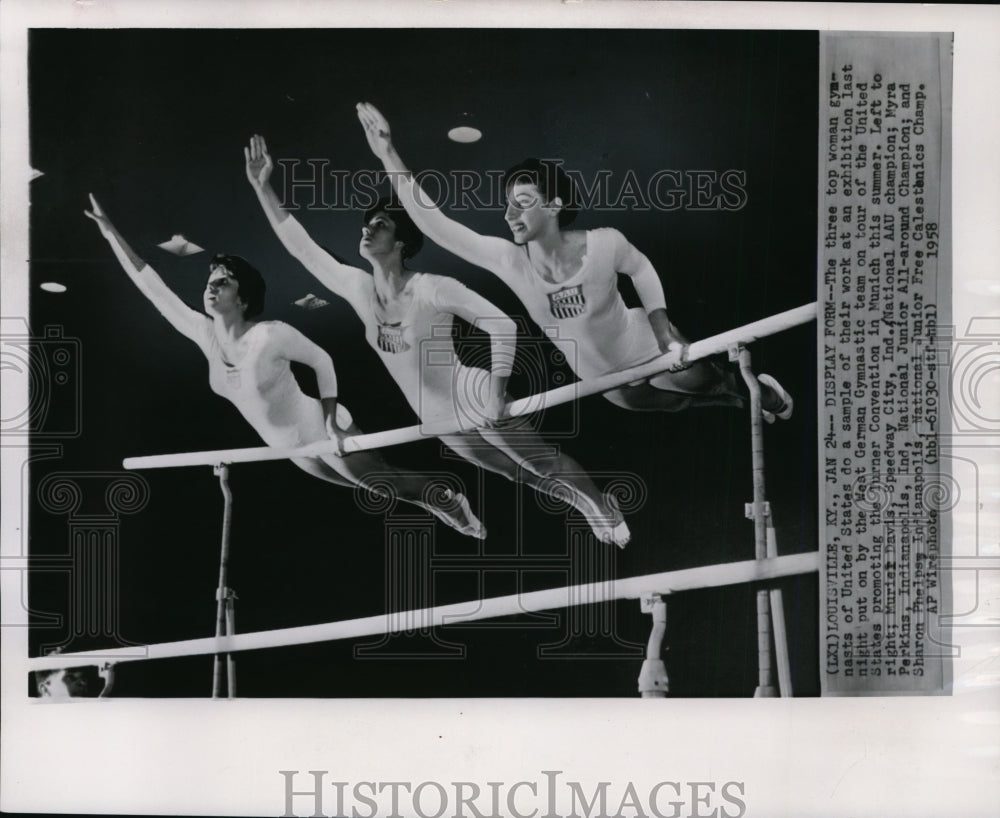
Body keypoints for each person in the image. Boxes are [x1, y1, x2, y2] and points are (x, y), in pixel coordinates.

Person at [245, 136, 629, 547]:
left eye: (381, 224)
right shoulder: (356, 287)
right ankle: (585, 503)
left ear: (402, 243)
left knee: (541, 464)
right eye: (367, 222)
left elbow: (503, 327)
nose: (368, 228)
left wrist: (496, 394)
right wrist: (262, 187)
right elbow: (302, 248)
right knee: (515, 473)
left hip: (472, 394)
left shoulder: (432, 288)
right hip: (437, 416)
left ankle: (600, 506)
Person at [356, 102, 794, 421]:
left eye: (523, 203)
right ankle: (735, 402)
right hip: (604, 379)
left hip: (642, 344)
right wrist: (387, 157)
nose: (510, 215)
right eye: (507, 205)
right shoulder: (510, 261)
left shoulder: (603, 244)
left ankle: (752, 393)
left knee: (709, 381)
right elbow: (436, 225)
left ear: (554, 205)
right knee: (680, 403)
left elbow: (639, 268)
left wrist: (663, 332)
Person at [84, 194, 484, 538]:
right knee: (380, 491)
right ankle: (437, 503)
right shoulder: (202, 334)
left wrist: (330, 420)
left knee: (389, 484)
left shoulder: (271, 335)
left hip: (321, 427)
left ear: (243, 299)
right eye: (211, 280)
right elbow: (152, 287)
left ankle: (449, 499)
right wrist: (110, 235)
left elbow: (323, 361)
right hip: (292, 448)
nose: (211, 286)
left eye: (223, 282)